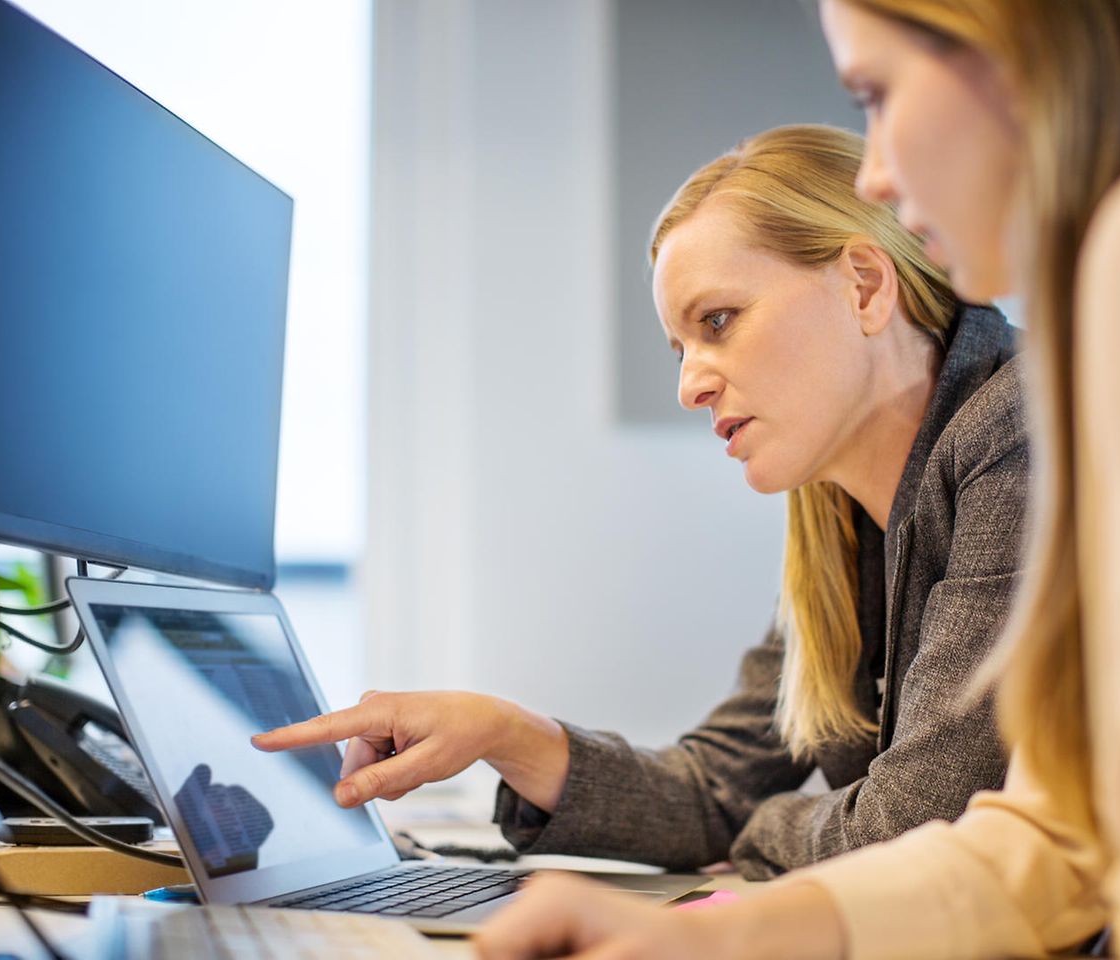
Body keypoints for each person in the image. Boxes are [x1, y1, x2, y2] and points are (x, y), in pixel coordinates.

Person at [470, 1, 1120, 958]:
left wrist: (759, 849)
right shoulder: (845, 506)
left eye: (877, 95)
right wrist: (721, 928)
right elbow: (1060, 839)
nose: (879, 173)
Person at [254, 124, 1031, 880]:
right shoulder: (836, 521)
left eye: (718, 322)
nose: (691, 384)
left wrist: (764, 830)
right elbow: (717, 789)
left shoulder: (1017, 430)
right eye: (682, 347)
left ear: (865, 285)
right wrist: (505, 731)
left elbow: (912, 834)